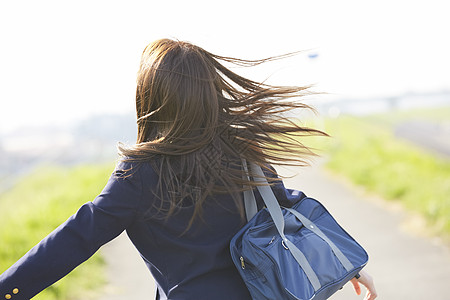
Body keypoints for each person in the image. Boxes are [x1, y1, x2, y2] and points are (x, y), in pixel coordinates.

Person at [0, 38, 377, 300]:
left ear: (150, 100)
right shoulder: (240, 151)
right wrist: (349, 266)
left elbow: (77, 237)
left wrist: (9, 289)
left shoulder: (138, 174)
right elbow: (289, 210)